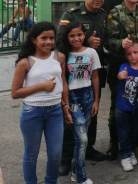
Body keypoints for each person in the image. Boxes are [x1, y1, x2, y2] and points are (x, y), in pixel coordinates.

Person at [11, 22, 72, 184]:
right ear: (33, 40)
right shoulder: (26, 62)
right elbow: (15, 93)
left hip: (55, 112)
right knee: (31, 155)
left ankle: (51, 181)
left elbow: (63, 83)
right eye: (43, 38)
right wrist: (41, 86)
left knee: (55, 154)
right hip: (33, 113)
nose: (48, 42)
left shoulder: (59, 57)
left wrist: (65, 106)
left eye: (52, 38)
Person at [56, 0, 108, 174]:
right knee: (69, 115)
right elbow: (60, 40)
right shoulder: (71, 15)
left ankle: (88, 148)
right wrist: (86, 42)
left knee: (91, 112)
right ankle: (66, 157)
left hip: (94, 70)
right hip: (71, 73)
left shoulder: (104, 15)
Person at [105, 0, 138, 160]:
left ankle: (133, 137)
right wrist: (120, 44)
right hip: (120, 66)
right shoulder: (115, 13)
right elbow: (108, 41)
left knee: (137, 102)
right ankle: (114, 141)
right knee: (118, 105)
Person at [58, 22, 100, 184]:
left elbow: (95, 77)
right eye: (72, 35)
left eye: (79, 35)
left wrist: (96, 100)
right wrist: (65, 104)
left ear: (85, 35)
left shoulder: (91, 52)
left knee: (82, 138)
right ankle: (80, 176)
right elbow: (63, 81)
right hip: (72, 97)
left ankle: (75, 171)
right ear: (67, 37)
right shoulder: (63, 55)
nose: (76, 38)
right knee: (82, 139)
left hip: (88, 95)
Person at [116, 43, 138, 172]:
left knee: (134, 132)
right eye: (129, 54)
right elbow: (119, 75)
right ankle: (125, 156)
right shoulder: (124, 67)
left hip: (136, 107)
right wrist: (121, 76)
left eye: (135, 52)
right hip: (122, 107)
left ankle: (131, 152)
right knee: (123, 133)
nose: (132, 55)